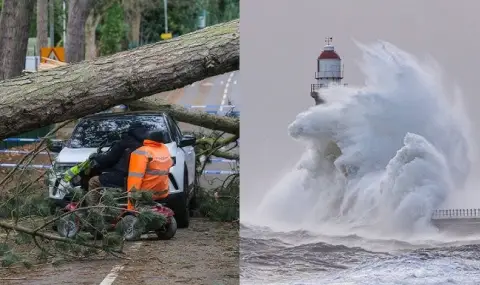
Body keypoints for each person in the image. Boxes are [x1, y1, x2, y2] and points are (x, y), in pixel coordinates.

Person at [85, 122, 149, 206]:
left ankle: (94, 210)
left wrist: (96, 157)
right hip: (145, 180)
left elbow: (108, 159)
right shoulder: (149, 143)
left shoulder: (125, 143)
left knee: (93, 181)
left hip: (125, 179)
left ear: (130, 131)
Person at [126, 130, 173, 210]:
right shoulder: (165, 149)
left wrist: (131, 207)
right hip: (163, 193)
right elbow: (170, 164)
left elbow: (134, 181)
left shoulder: (141, 152)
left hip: (146, 195)